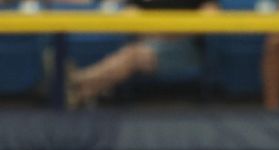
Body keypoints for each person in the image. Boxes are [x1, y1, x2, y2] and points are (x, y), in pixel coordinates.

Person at [66, 0, 216, 108]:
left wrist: (172, 30)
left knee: (132, 55)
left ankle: (76, 80)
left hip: (184, 48)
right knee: (133, 53)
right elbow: (130, 13)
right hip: (150, 41)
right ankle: (79, 92)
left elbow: (210, 13)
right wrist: (159, 30)